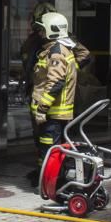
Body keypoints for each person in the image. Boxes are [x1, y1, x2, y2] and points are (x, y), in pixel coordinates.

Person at [21, 2, 90, 185]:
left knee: (50, 142)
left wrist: (70, 71)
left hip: (52, 104)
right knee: (43, 141)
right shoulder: (36, 42)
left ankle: (51, 178)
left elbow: (59, 77)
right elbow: (30, 66)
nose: (40, 32)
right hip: (39, 96)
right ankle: (43, 172)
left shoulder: (60, 45)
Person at [29, 12, 78, 184]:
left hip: (53, 115)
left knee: (50, 150)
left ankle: (51, 184)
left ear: (51, 30)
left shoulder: (56, 52)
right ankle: (47, 180)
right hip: (56, 115)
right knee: (51, 149)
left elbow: (55, 83)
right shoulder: (59, 49)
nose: (40, 34)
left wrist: (42, 109)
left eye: (42, 30)